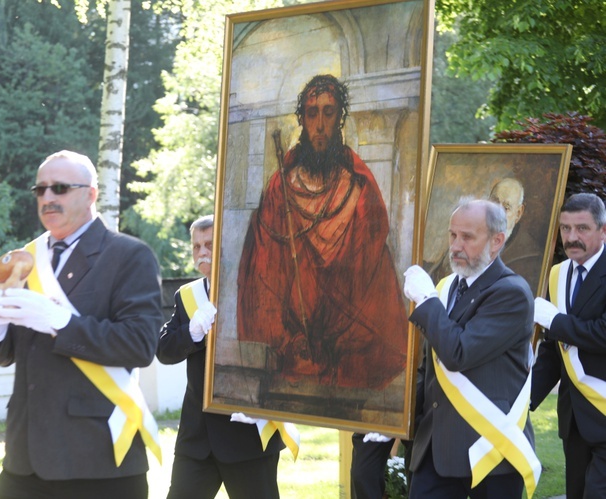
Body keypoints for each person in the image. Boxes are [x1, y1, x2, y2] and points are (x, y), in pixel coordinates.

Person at [0, 150, 164, 499]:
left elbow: (140, 344)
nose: (47, 197)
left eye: (59, 188)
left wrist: (63, 323)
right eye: (40, 189)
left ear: (91, 194)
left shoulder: (128, 255)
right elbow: (14, 353)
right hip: (24, 459)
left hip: (97, 460)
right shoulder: (26, 260)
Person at [237, 73, 407, 390]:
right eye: (312, 113)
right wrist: (288, 337)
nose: (319, 125)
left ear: (339, 119)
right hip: (296, 351)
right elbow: (264, 273)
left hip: (351, 351)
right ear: (301, 119)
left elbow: (372, 279)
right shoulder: (281, 188)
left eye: (328, 113)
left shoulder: (360, 189)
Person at [403, 198, 539, 499]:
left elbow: (457, 353)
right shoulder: (447, 287)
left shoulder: (511, 293)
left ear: (497, 241)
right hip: (436, 448)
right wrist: (396, 420)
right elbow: (430, 368)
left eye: (467, 237)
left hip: (491, 449)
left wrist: (426, 301)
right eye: (453, 235)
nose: (455, 245)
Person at [157, 214, 287, 499]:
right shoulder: (186, 296)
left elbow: (284, 350)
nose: (202, 252)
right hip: (197, 439)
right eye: (196, 246)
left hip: (248, 436)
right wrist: (191, 333)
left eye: (209, 244)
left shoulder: (262, 289)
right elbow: (164, 351)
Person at [531, 192, 606, 498]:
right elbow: (552, 349)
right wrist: (525, 401)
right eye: (565, 229)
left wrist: (556, 321)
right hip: (574, 417)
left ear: (603, 230)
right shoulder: (557, 274)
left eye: (582, 228)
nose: (572, 237)